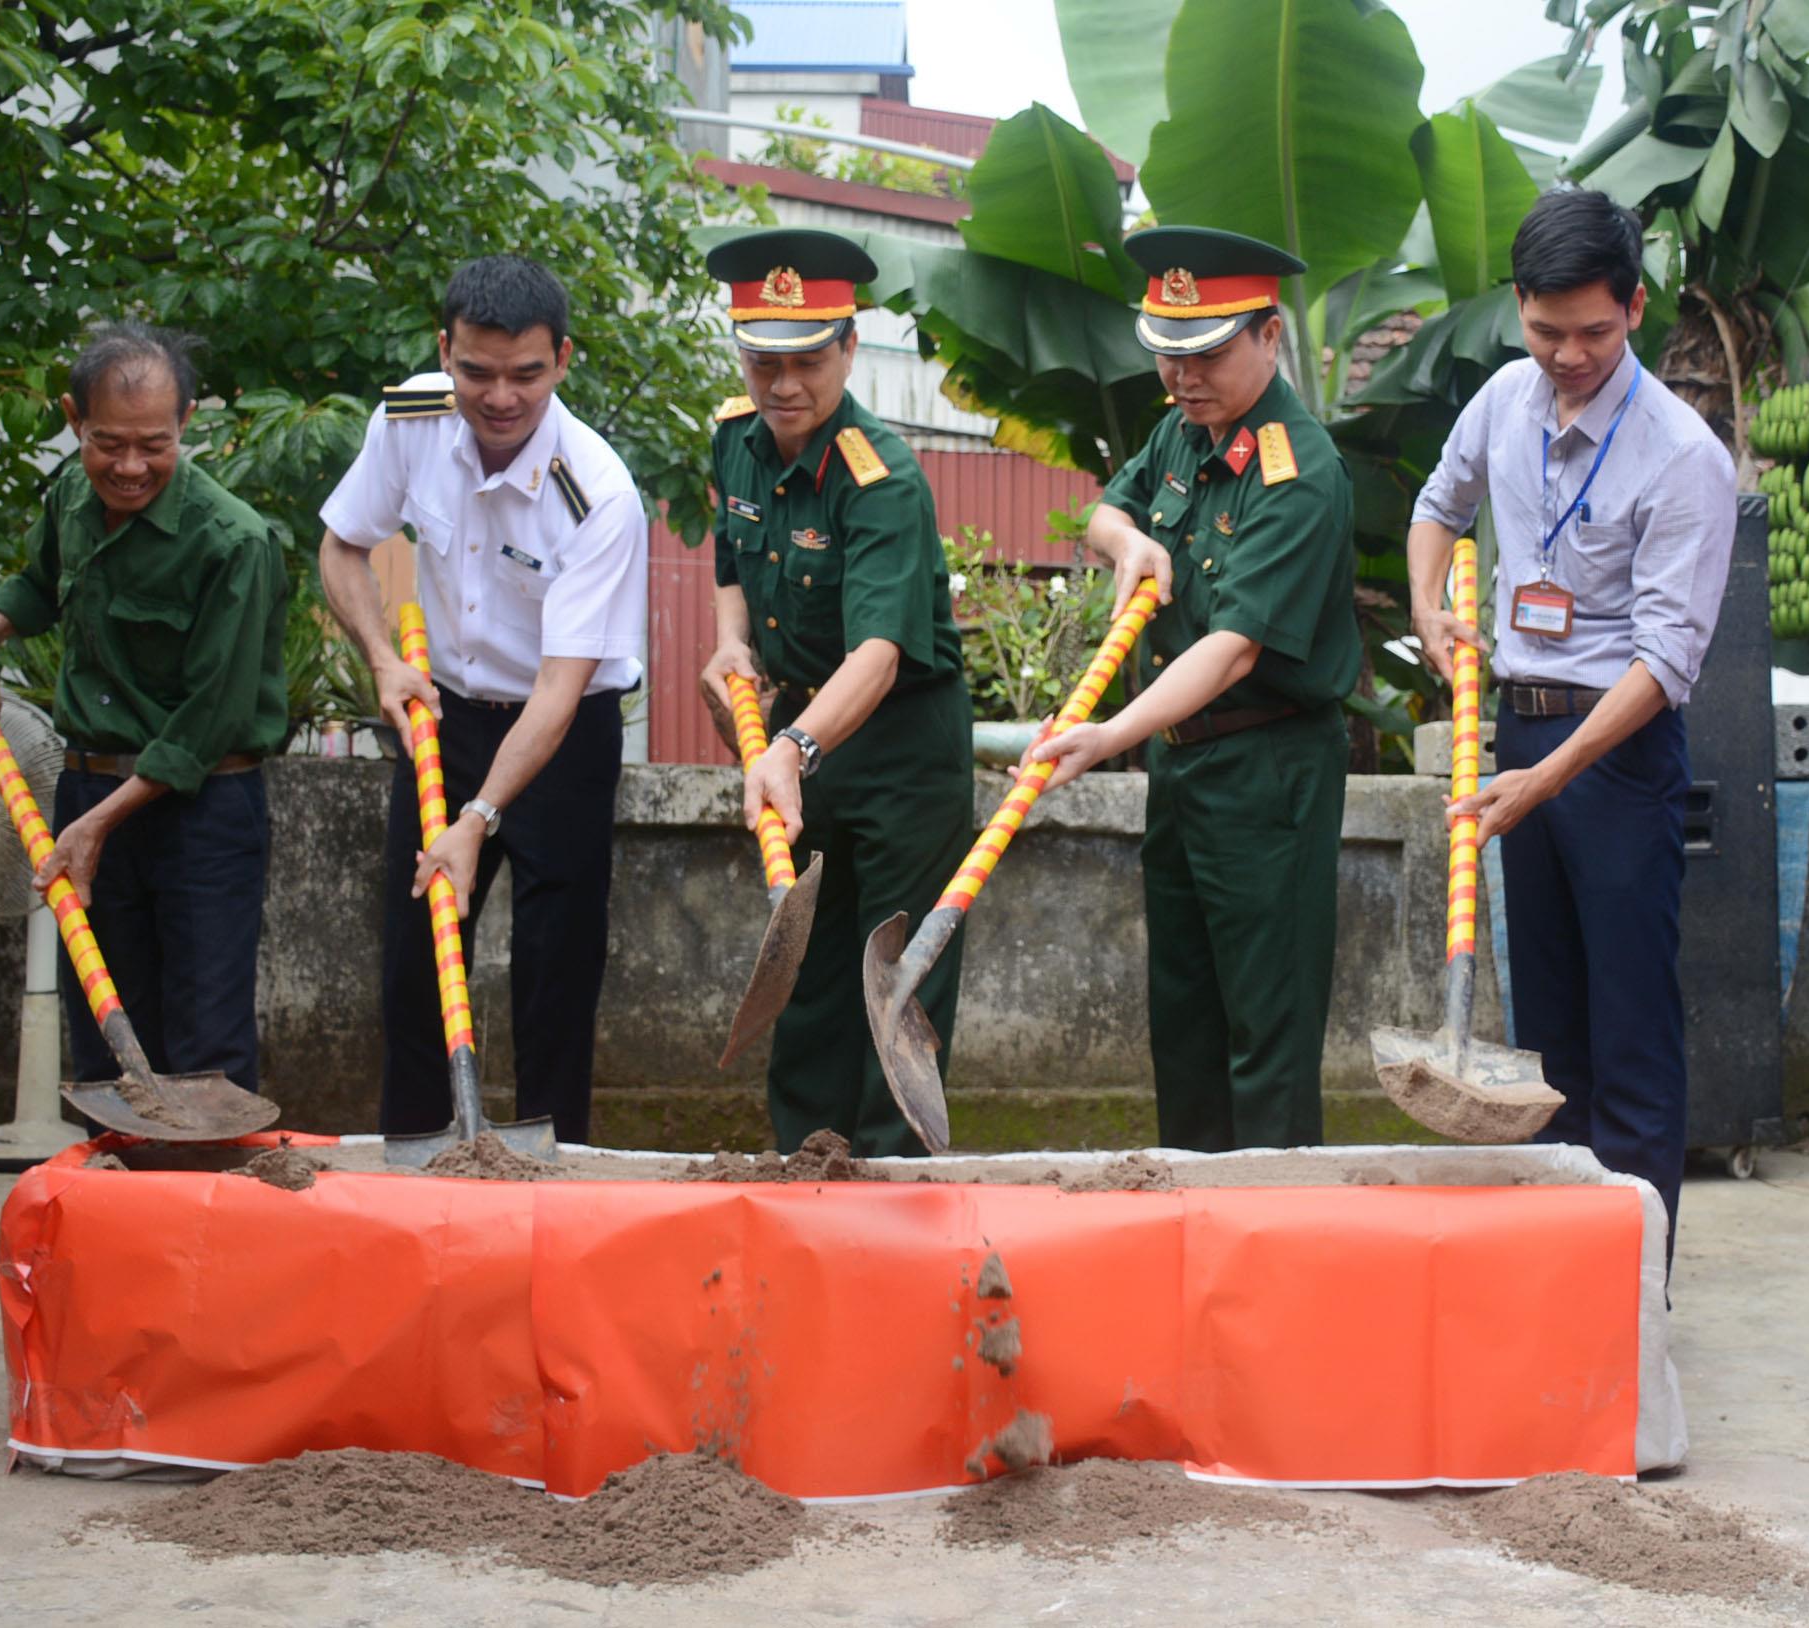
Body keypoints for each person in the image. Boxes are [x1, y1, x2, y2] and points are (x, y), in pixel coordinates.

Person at [1407, 188, 1736, 1252]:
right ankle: (1565, 1268)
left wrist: (1549, 779)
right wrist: (1427, 604)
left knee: (1630, 1027)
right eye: (1547, 331)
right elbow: (1436, 506)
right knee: (1548, 1035)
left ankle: (1637, 1289)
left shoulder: (1683, 456)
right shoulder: (1503, 397)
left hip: (1616, 747)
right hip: (1517, 731)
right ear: (1518, 308)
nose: (1569, 354)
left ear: (1635, 307)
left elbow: (1665, 661)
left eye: (1593, 330)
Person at [1030, 227, 1360, 1152]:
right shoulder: (1182, 432)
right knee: (1183, 1020)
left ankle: (1273, 1247)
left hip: (1269, 769)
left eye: (1206, 354)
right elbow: (1110, 508)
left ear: (1268, 337)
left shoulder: (1301, 473)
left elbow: (1233, 650)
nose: (1183, 378)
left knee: (1266, 1030)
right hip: (1185, 767)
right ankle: (1190, 1227)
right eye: (1168, 355)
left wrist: (1104, 735)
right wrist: (1126, 543)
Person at [318, 255, 646, 1144]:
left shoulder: (599, 493)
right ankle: (418, 1167)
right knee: (418, 967)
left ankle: (551, 1176)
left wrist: (478, 818)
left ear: (563, 360)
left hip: (563, 736)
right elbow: (342, 547)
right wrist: (384, 659)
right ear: (445, 352)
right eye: (477, 372)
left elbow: (558, 687)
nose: (500, 397)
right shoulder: (411, 417)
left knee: (553, 975)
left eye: (526, 375)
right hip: (445, 719)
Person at [0, 322, 289, 1095]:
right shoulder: (71, 494)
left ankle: (203, 1210)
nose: (129, 468)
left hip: (202, 810)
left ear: (186, 422)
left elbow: (207, 722)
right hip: (88, 790)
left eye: (153, 446)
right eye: (107, 443)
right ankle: (114, 1205)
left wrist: (95, 827)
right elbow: (36, 583)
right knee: (105, 1036)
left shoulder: (234, 542)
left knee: (203, 1047)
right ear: (74, 420)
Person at [698, 228, 974, 1157]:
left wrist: (791, 749)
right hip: (806, 735)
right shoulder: (734, 441)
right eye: (763, 360)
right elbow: (733, 560)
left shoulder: (879, 475)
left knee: (891, 976)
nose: (783, 386)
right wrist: (731, 644)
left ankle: (895, 1180)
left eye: (807, 361)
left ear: (849, 349)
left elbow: (881, 655)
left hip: (897, 744)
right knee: (808, 966)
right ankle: (805, 1161)